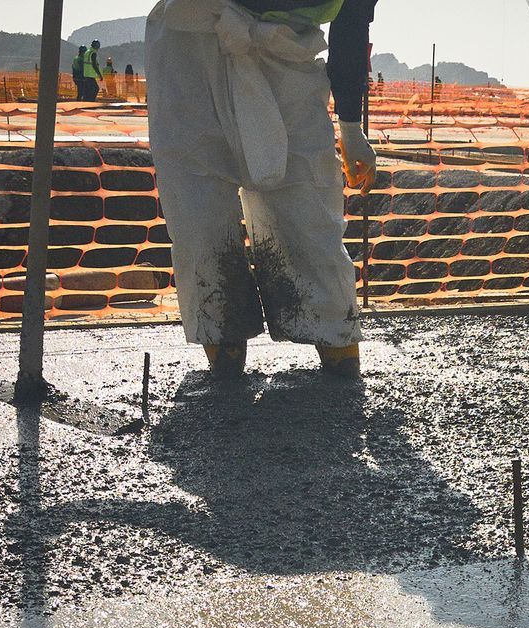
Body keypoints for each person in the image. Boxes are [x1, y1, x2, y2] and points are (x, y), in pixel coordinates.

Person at [145, 0, 378, 379]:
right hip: (192, 42)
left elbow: (350, 25)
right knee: (199, 209)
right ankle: (224, 350)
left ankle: (337, 342)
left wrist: (351, 128)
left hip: (287, 50)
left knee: (307, 197)